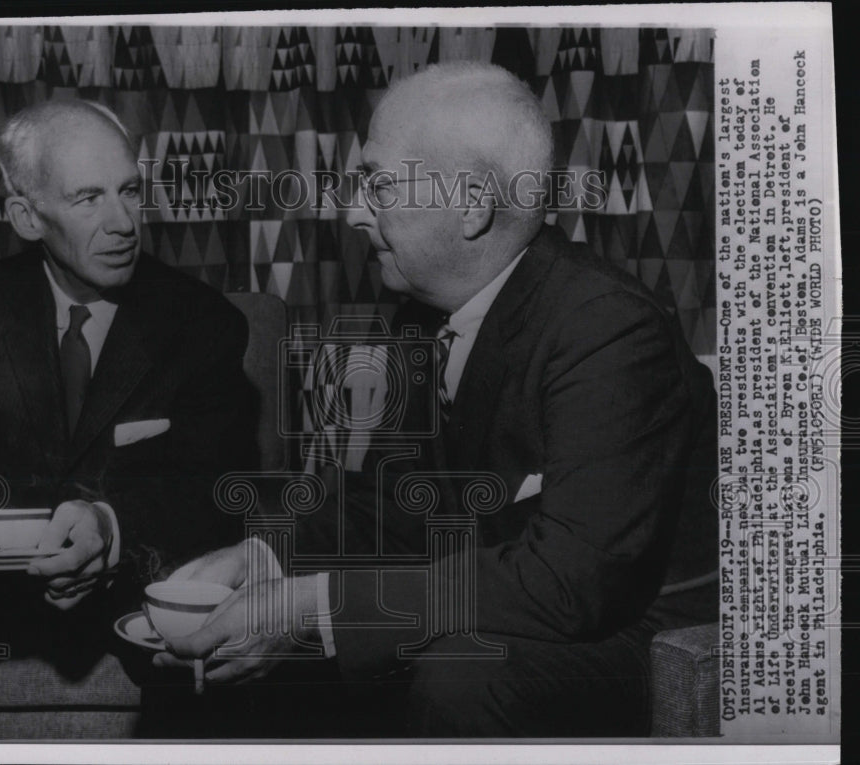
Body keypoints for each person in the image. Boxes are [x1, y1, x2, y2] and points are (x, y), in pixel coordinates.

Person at [153, 62, 719, 737]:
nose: (355, 211)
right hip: (520, 589)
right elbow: (399, 508)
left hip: (654, 633)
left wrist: (312, 606)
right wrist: (269, 556)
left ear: (473, 204)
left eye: (380, 184)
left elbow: (574, 579)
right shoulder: (424, 317)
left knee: (458, 673)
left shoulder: (605, 327)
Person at [0, 99, 256, 739]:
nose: (123, 222)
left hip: (136, 579)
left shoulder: (204, 323)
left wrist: (111, 526)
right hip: (2, 583)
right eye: (88, 199)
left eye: (129, 190)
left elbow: (213, 491)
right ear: (26, 216)